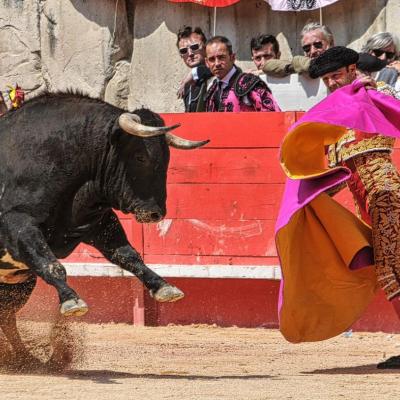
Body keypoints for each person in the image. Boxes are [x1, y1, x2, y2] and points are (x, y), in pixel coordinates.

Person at [276, 46, 400, 368]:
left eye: (336, 76)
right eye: (327, 79)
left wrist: (366, 92)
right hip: (367, 202)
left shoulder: (375, 94)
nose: (332, 83)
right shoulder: (334, 116)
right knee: (390, 272)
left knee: (394, 270)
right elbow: (338, 173)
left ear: (351, 69)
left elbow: (390, 112)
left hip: (385, 193)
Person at [204, 35, 280, 112]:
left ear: (232, 58)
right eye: (212, 59)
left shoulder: (249, 83)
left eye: (221, 57)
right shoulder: (212, 90)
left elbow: (273, 116)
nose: (217, 63)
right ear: (207, 63)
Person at [262, 22, 334, 78]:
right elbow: (267, 65)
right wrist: (293, 67)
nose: (312, 51)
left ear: (330, 44)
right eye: (307, 48)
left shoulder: (342, 61)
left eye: (318, 45)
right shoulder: (302, 65)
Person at [176, 26, 213, 112]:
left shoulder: (217, 71)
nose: (190, 53)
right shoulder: (187, 83)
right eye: (183, 51)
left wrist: (193, 72)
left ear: (205, 47)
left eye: (194, 47)